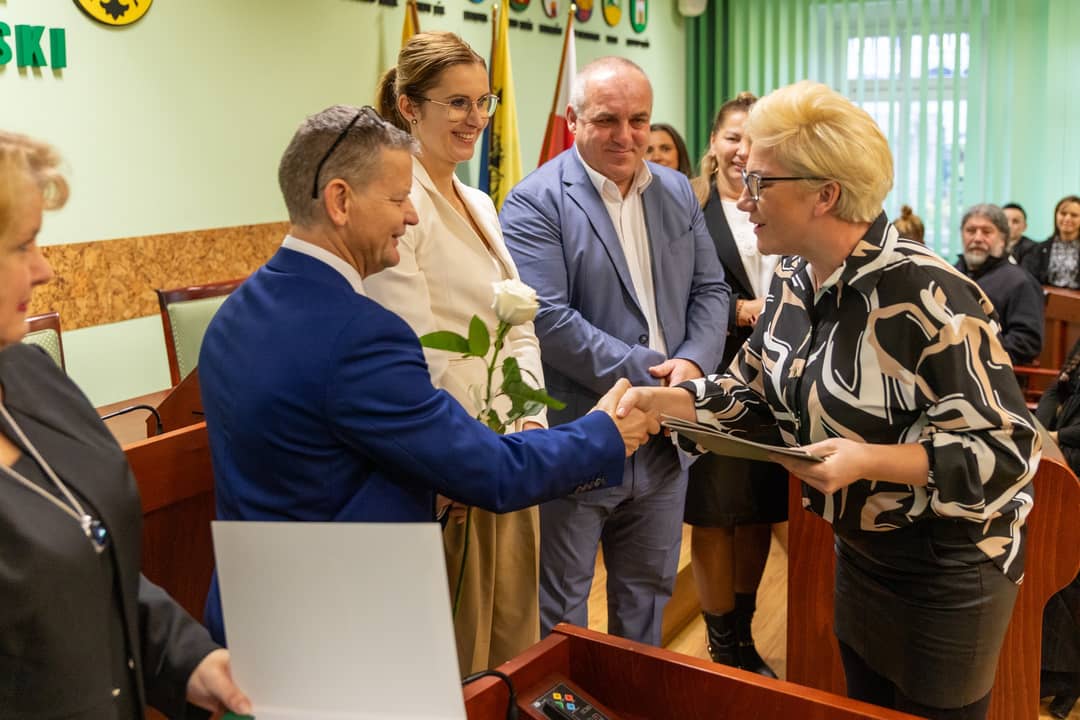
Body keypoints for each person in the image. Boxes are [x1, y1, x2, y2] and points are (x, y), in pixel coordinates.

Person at [616, 81, 1039, 720]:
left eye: (760, 183)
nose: (743, 197)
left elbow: (1005, 451)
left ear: (825, 195)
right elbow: (752, 390)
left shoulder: (930, 295)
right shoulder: (794, 274)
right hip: (860, 549)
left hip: (949, 563)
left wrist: (868, 461)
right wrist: (665, 402)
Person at [198, 105, 658, 645]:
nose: (412, 216)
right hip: (340, 630)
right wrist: (605, 432)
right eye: (398, 199)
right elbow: (493, 472)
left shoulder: (235, 311)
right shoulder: (361, 334)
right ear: (340, 201)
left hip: (251, 614)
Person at [0, 131, 251, 718]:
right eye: (23, 245)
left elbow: (91, 561)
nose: (44, 269)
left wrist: (191, 661)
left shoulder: (33, 378)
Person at [500, 56, 729, 647]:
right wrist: (657, 379)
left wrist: (692, 367)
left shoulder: (677, 191)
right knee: (561, 613)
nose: (625, 136)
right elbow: (549, 319)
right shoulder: (534, 202)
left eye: (638, 120)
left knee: (648, 600)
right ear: (573, 120)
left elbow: (711, 290)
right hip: (582, 435)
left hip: (666, 443)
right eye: (606, 120)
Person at [366, 31, 546, 674]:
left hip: (513, 449)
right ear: (409, 107)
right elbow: (414, 349)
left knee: (512, 642)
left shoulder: (478, 201)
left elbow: (517, 319)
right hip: (456, 460)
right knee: (461, 652)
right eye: (457, 103)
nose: (476, 118)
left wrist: (530, 420)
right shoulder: (398, 205)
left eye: (484, 101)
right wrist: (461, 453)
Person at [685, 91, 785, 677]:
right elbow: (676, 291)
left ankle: (744, 637)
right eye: (731, 138)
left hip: (780, 384)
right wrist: (737, 311)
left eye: (752, 139)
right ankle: (721, 646)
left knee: (758, 511)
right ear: (714, 143)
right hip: (718, 374)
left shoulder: (784, 199)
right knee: (716, 513)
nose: (740, 151)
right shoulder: (691, 208)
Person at [1034, 340, 1080, 720]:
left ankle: (1067, 674)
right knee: (1047, 559)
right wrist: (1041, 428)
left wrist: (1055, 438)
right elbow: (1057, 386)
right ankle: (1054, 669)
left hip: (1071, 457)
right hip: (1063, 462)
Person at [954, 203, 1044, 365]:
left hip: (992, 372)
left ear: (1003, 239)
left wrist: (974, 353)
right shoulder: (951, 274)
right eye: (971, 231)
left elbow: (1027, 342)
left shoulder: (1020, 282)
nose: (977, 238)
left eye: (987, 232)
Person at [1022, 195, 1080, 288]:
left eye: (1074, 215)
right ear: (1056, 215)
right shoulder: (1040, 249)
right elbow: (1030, 280)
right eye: (1063, 213)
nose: (1067, 218)